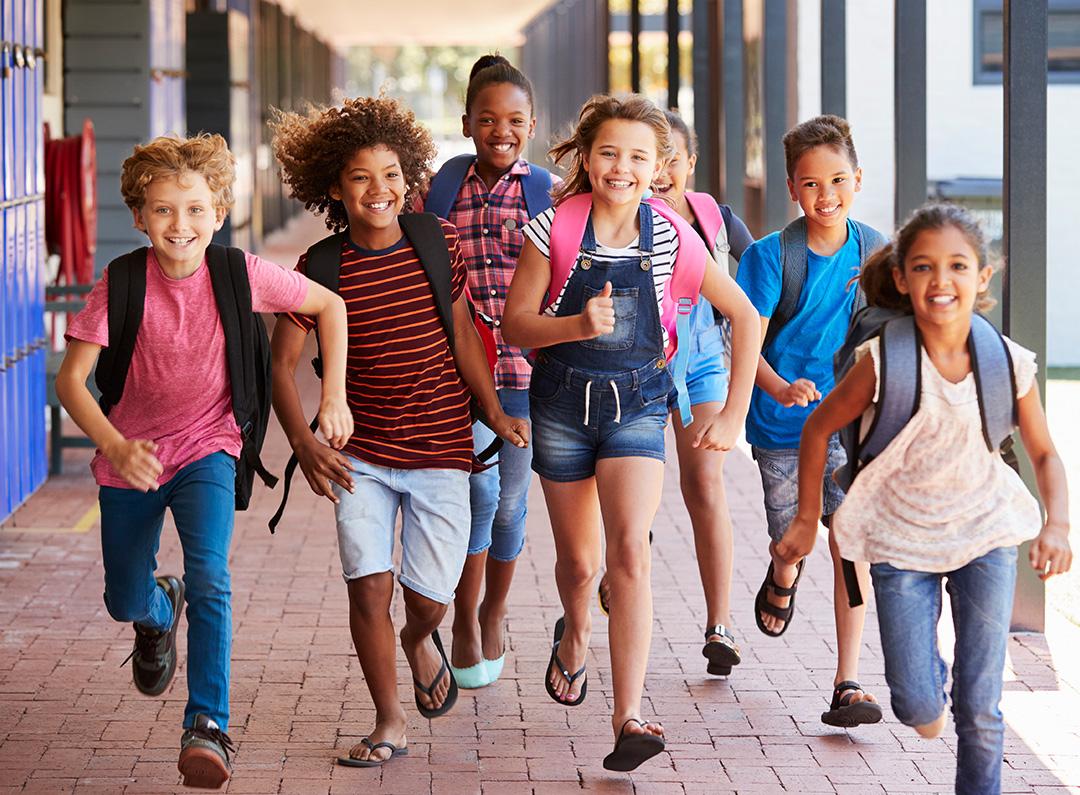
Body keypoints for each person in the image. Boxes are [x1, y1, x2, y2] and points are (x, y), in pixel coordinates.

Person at [55, 133, 352, 788]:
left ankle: (208, 723)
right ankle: (158, 606)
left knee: (211, 574)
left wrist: (333, 393)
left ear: (219, 211)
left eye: (194, 209)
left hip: (209, 445)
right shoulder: (122, 281)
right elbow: (72, 381)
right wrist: (114, 444)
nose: (179, 225)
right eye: (163, 210)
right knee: (122, 597)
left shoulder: (238, 273)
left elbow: (328, 306)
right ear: (139, 216)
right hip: (130, 456)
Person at [776, 203, 1072, 794]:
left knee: (981, 707)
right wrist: (807, 519)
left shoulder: (1007, 363)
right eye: (925, 268)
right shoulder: (884, 360)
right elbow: (818, 429)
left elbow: (1043, 453)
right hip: (899, 542)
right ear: (904, 278)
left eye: (959, 266)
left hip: (984, 536)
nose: (942, 282)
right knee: (917, 704)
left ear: (983, 277)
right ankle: (925, 690)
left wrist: (1058, 523)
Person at [502, 94, 759, 771]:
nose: (623, 167)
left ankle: (629, 715)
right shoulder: (552, 229)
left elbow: (746, 314)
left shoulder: (673, 235)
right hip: (560, 407)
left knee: (630, 555)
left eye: (639, 157)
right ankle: (575, 631)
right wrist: (575, 327)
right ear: (586, 157)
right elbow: (516, 326)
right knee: (582, 566)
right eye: (610, 153)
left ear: (660, 166)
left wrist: (732, 413)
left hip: (640, 406)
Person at [269, 95, 528, 768]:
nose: (377, 189)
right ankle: (388, 720)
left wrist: (494, 410)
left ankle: (420, 638)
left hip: (442, 445)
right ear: (334, 186)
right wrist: (303, 441)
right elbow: (280, 366)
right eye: (360, 176)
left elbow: (466, 333)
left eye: (389, 174)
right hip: (360, 455)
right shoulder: (321, 268)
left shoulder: (433, 242)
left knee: (428, 600)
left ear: (408, 178)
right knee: (368, 585)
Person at [735, 114, 885, 727]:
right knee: (793, 539)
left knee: (850, 546)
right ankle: (781, 572)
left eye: (838, 180)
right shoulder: (773, 258)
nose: (827, 197)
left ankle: (848, 681)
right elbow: (743, 342)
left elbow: (890, 333)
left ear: (858, 179)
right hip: (781, 429)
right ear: (792, 189)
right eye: (811, 184)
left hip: (850, 427)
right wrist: (778, 386)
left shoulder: (877, 253)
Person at [596, 109, 755, 677]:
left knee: (705, 481)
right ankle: (622, 565)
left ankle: (720, 622)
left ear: (689, 163)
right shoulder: (623, 216)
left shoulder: (715, 218)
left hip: (702, 362)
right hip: (635, 362)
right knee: (632, 487)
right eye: (649, 158)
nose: (660, 171)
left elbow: (757, 283)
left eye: (671, 160)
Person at [424, 54, 554, 688]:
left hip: (532, 377)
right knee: (477, 498)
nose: (501, 130)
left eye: (514, 119)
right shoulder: (442, 189)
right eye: (487, 118)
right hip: (465, 375)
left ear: (531, 124)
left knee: (510, 505)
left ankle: (496, 610)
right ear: (468, 122)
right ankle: (465, 618)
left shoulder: (551, 193)